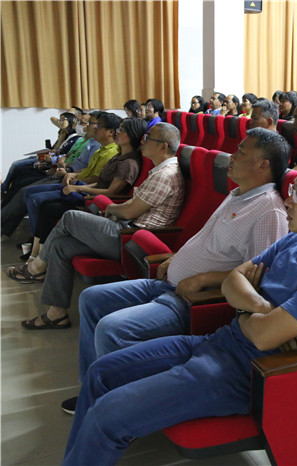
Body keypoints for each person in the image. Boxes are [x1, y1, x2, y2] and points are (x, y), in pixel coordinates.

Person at [62, 155, 297, 466]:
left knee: (107, 415)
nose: (289, 201)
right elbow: (234, 279)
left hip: (243, 374)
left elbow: (262, 337)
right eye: (292, 191)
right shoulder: (294, 241)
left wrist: (244, 307)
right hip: (217, 343)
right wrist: (261, 306)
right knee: (100, 373)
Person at [60, 127, 291, 414]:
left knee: (112, 328)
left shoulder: (269, 211)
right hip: (168, 281)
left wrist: (202, 279)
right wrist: (177, 257)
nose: (232, 156)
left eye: (241, 152)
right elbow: (208, 242)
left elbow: (257, 278)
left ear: (262, 165)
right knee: (91, 298)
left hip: (192, 300)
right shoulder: (238, 195)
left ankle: (114, 407)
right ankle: (93, 389)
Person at [11, 123, 186, 329]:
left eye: (149, 139)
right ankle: (56, 314)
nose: (143, 142)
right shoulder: (159, 171)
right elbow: (131, 206)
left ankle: (37, 267)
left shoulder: (165, 175)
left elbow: (129, 212)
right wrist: (117, 210)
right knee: (60, 246)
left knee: (70, 217)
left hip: (133, 239)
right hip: (126, 229)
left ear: (163, 146)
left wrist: (111, 208)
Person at [27, 118, 148, 262]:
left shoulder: (128, 163)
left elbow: (111, 192)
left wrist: (79, 188)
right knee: (45, 205)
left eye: (121, 130)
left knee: (49, 208)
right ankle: (36, 254)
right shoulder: (119, 156)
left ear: (132, 135)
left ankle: (39, 258)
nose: (117, 133)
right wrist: (77, 186)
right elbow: (100, 181)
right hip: (90, 195)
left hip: (97, 205)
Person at [1, 112, 101, 238]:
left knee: (28, 192)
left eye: (86, 123)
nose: (82, 126)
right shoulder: (85, 141)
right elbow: (68, 156)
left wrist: (68, 173)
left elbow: (93, 175)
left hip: (73, 181)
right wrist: (63, 165)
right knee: (22, 180)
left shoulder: (98, 147)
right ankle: (5, 223)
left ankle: (33, 239)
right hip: (65, 173)